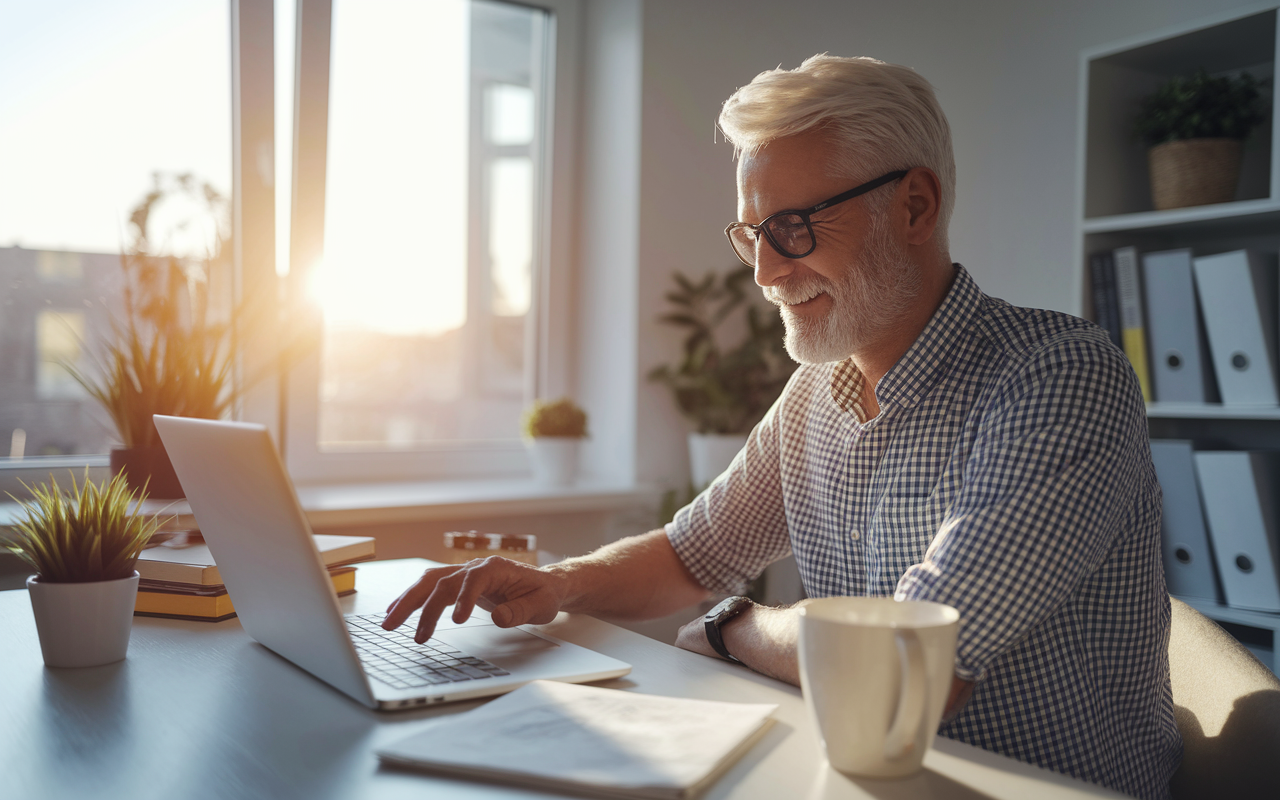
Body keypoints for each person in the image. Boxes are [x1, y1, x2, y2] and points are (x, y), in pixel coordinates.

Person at [383, 55, 1181, 799]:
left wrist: (737, 626)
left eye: (794, 227)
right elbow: (690, 555)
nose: (765, 272)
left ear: (914, 205)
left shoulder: (1058, 377)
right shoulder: (816, 392)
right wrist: (560, 584)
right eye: (753, 234)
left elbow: (908, 676)